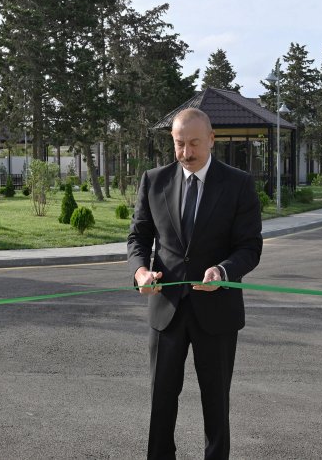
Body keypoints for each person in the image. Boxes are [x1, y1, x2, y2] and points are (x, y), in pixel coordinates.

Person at [127, 108, 263, 459]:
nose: (186, 152)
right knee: (161, 401)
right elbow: (138, 238)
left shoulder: (238, 184)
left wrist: (223, 270)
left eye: (194, 144)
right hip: (166, 310)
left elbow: (249, 247)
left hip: (216, 312)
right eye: (179, 143)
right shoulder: (153, 180)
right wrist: (141, 271)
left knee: (216, 403)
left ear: (212, 139)